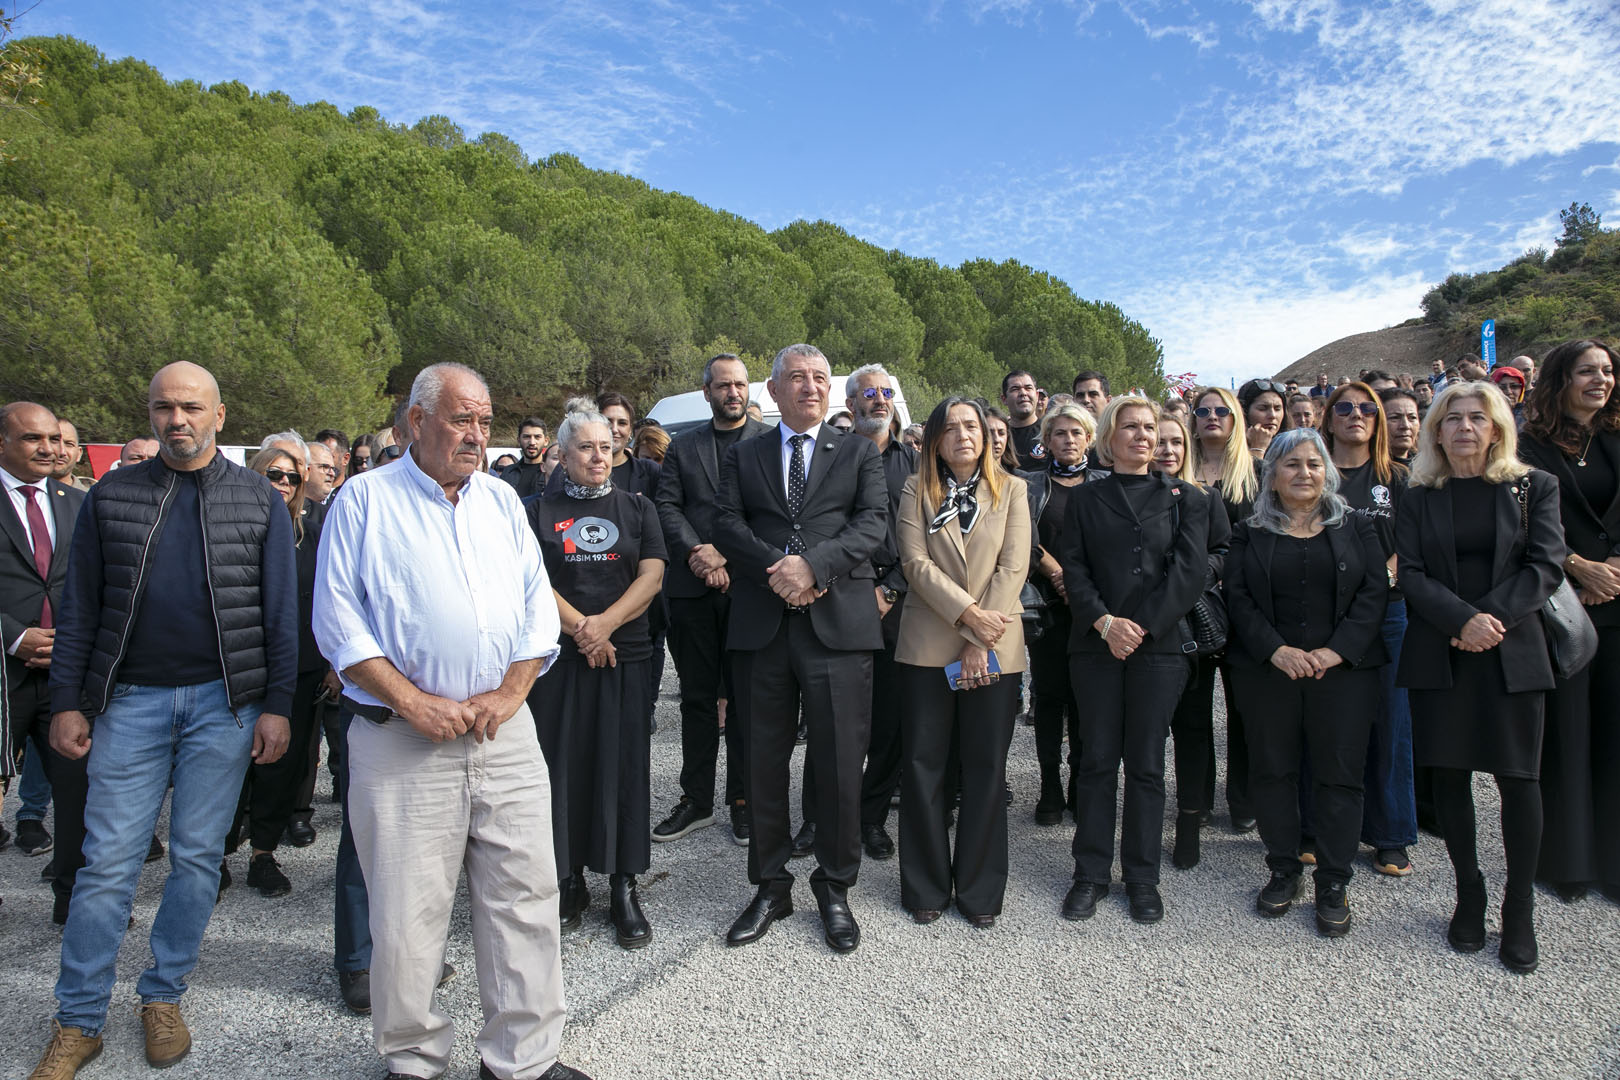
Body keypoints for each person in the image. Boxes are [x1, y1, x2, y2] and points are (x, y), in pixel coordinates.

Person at [314, 362, 589, 1080]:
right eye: (462, 418)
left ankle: (522, 1060)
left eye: (485, 421)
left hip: (504, 733)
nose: (477, 434)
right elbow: (338, 622)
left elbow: (536, 607)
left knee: (526, 899)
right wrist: (412, 701)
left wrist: (513, 689)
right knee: (407, 918)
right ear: (415, 421)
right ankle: (413, 1060)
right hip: (404, 742)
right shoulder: (363, 502)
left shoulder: (500, 502)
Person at [31, 362, 295, 1078]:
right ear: (147, 413)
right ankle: (78, 1019)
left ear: (218, 414)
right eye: (162, 408)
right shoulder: (112, 496)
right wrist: (67, 702)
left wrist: (275, 705)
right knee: (106, 865)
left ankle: (163, 994)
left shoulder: (258, 499)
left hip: (224, 706)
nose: (175, 420)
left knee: (197, 861)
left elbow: (279, 614)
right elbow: (80, 611)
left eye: (189, 407)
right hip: (130, 705)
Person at [713, 343, 887, 954]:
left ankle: (835, 887)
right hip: (762, 626)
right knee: (762, 762)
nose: (810, 387)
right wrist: (779, 570)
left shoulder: (860, 453)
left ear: (831, 391)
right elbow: (726, 523)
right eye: (797, 378)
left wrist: (813, 568)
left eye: (819, 378)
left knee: (840, 763)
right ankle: (771, 886)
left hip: (838, 623)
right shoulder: (744, 453)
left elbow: (872, 525)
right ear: (773, 388)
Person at [1397, 382, 1563, 974]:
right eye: (1452, 418)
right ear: (1436, 431)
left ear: (1497, 428)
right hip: (1441, 652)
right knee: (1450, 778)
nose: (1465, 427)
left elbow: (1545, 565)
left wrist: (1486, 620)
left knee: (1520, 780)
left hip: (1511, 651)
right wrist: (1461, 620)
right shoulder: (1416, 496)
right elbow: (1410, 573)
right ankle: (1469, 895)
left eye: (1477, 417)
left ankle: (1518, 912)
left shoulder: (1532, 487)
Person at [1225, 429, 1388, 935]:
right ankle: (1283, 868)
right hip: (1269, 670)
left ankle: (1334, 880)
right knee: (1273, 771)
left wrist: (1334, 651)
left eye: (1314, 465)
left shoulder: (1357, 526)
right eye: (1291, 464)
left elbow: (1374, 593)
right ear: (1271, 473)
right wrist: (1276, 649)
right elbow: (1237, 597)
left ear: (1328, 473)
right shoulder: (1248, 531)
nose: (1304, 473)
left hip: (1342, 672)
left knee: (1339, 776)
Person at [1057, 396, 1210, 924]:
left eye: (1151, 428)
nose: (1144, 436)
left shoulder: (1187, 499)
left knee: (1145, 765)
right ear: (1109, 437)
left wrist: (1140, 627)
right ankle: (1091, 874)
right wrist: (1105, 624)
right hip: (1095, 647)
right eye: (1131, 427)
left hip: (1159, 648)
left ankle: (1142, 877)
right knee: (1097, 760)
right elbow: (1073, 572)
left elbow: (1189, 575)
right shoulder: (1083, 501)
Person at [526, 406, 667, 950]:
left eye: (605, 447)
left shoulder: (637, 507)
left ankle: (623, 885)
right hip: (560, 660)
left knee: (623, 768)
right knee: (563, 767)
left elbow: (652, 574)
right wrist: (583, 630)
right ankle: (568, 881)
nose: (598, 456)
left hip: (625, 653)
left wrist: (605, 625)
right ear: (561, 453)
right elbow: (533, 580)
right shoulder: (536, 510)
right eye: (585, 447)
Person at [894, 397, 1029, 926]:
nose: (963, 435)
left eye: (971, 425)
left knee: (985, 770)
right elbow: (914, 564)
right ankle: (926, 887)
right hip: (929, 646)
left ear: (988, 435)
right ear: (934, 440)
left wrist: (981, 636)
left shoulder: (1014, 490)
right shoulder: (915, 490)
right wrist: (969, 616)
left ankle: (979, 890)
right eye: (950, 428)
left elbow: (1015, 565)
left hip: (995, 644)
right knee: (925, 767)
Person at [653, 354, 771, 846]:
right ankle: (697, 800)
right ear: (707, 392)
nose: (733, 393)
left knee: (745, 700)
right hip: (692, 587)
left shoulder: (767, 446)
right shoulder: (683, 447)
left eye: (740, 385)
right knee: (698, 699)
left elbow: (771, 514)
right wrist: (699, 551)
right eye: (723, 386)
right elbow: (667, 504)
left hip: (748, 589)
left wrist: (728, 553)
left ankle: (742, 800)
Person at [1518, 339, 1620, 904]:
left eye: (1607, 371)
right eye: (1587, 371)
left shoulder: (1618, 438)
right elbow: (1522, 518)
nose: (1600, 380)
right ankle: (1568, 861)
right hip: (1562, 605)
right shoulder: (1531, 447)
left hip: (1618, 597)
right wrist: (1578, 567)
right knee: (1568, 735)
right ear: (1560, 380)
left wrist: (1614, 569)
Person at [1322, 381, 1414, 877]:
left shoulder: (1396, 477)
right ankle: (1318, 827)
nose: (1355, 415)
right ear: (1329, 418)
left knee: (1389, 721)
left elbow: (1411, 543)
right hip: (1324, 613)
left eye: (1366, 409)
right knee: (1325, 724)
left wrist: (1382, 581)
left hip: (1388, 613)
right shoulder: (1315, 472)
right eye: (1344, 408)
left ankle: (1390, 833)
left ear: (1377, 420)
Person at [0, 403, 87, 922]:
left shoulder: (78, 504)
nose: (50, 449)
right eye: (34, 438)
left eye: (55, 439)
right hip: (4, 674)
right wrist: (14, 637)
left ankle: (74, 896)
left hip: (65, 675)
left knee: (79, 789)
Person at [218, 446, 315, 899]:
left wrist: (334, 666)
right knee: (225, 768)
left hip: (299, 670)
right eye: (273, 474)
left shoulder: (312, 534)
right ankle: (211, 856)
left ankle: (263, 854)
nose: (282, 484)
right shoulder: (224, 528)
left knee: (282, 768)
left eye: (292, 478)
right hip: (236, 669)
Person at [843, 364, 919, 861]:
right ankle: (824, 817)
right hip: (841, 599)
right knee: (839, 720)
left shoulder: (917, 463)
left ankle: (870, 818)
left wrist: (889, 590)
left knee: (890, 720)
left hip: (899, 602)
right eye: (869, 393)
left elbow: (929, 537)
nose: (879, 400)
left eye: (885, 392)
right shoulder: (832, 458)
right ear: (850, 405)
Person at [1158, 407, 1232, 869]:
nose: (1167, 450)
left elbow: (1224, 549)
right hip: (1142, 629)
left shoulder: (1204, 498)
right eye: (1160, 442)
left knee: (1192, 728)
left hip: (1190, 628)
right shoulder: (1126, 498)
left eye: (1175, 443)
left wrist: (1192, 577)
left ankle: (1190, 819)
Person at [1187, 386, 1261, 832]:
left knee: (1243, 708)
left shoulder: (1257, 473)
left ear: (1235, 419)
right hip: (1190, 604)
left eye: (1222, 411)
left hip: (1242, 604)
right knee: (1194, 709)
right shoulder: (1178, 467)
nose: (1212, 417)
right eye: (1203, 411)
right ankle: (1197, 798)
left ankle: (1244, 798)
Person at [1025, 404, 1097, 826]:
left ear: (1089, 437)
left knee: (1088, 700)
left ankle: (1079, 783)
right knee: (1050, 699)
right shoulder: (1029, 485)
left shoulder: (1106, 483)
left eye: (1076, 432)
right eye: (1060, 433)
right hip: (1049, 609)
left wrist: (1082, 585)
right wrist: (1057, 573)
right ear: (1047, 439)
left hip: (1093, 610)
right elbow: (1022, 536)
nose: (1068, 440)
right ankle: (1050, 785)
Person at [1001, 370, 1046, 470]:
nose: (1023, 393)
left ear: (1037, 395)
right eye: (1015, 389)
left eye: (1028, 388)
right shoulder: (997, 436)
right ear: (1004, 399)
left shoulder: (1050, 432)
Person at [501, 416, 550, 499]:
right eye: (527, 437)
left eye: (537, 437)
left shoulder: (552, 472)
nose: (532, 442)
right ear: (518, 440)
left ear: (546, 441)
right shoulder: (508, 472)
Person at [1238, 378, 1289, 456]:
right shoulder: (1227, 449)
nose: (1272, 415)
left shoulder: (1293, 446)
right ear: (1244, 411)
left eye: (1277, 409)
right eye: (1263, 408)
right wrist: (1257, 449)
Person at [1380, 387, 1422, 465]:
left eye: (1412, 418)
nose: (1405, 426)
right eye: (1395, 417)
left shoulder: (1429, 468)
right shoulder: (1366, 471)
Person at [52, 421, 93, 491]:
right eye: (54, 442)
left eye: (69, 444)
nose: (62, 452)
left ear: (79, 454)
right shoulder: (29, 495)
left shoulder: (91, 499)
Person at [982, 405, 1018, 472]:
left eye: (1001, 433)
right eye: (990, 433)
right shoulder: (965, 479)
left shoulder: (1018, 480)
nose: (996, 439)